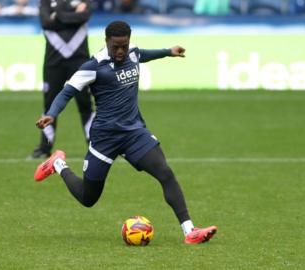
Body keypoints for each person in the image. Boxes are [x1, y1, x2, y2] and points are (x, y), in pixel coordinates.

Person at [34, 21, 217, 244]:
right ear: (106, 42)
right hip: (105, 138)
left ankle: (189, 231)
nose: (120, 51)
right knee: (88, 198)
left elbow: (143, 55)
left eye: (124, 45)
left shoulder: (132, 53)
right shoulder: (93, 66)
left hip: (134, 134)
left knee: (165, 173)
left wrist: (168, 52)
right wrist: (52, 113)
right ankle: (58, 164)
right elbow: (66, 92)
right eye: (115, 47)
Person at [29, 0, 95, 159]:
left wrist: (57, 15)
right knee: (50, 104)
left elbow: (84, 16)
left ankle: (95, 145)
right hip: (54, 62)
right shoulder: (45, 2)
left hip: (79, 60)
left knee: (85, 104)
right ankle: (45, 148)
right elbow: (45, 22)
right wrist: (72, 13)